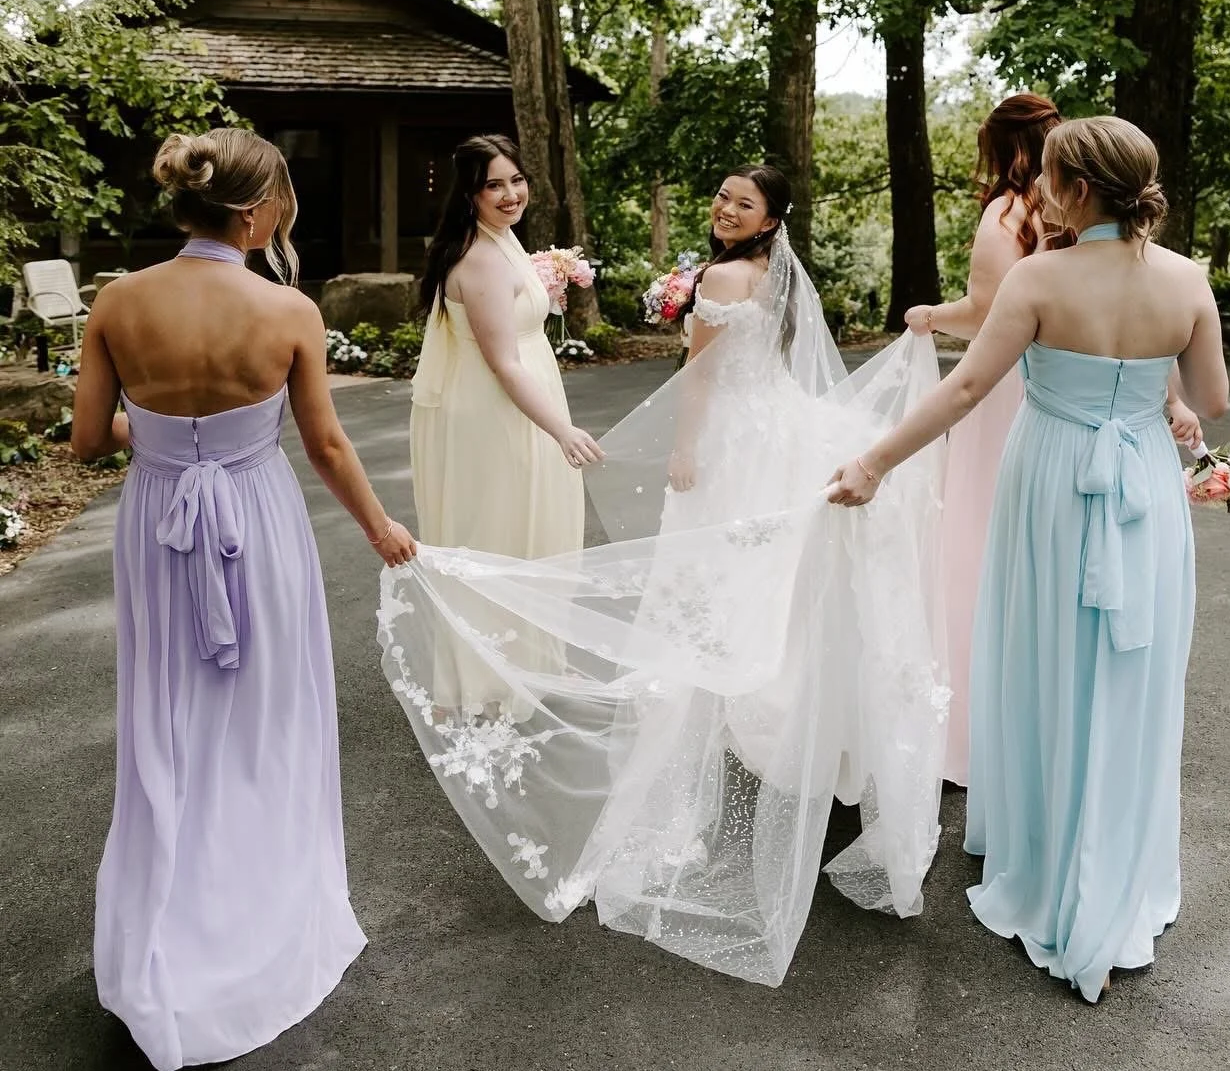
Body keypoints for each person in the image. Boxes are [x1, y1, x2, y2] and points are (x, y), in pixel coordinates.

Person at [377, 164, 949, 987]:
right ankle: (778, 715)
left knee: (708, 586)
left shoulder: (722, 274)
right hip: (783, 432)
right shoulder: (774, 271)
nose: (723, 208)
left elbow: (702, 378)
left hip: (733, 445)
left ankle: (722, 713)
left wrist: (685, 449)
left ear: (769, 218)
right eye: (720, 197)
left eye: (740, 203)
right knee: (769, 586)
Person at [830, 117, 1228, 1002]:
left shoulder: (1042, 276)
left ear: (1075, 190)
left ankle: (1047, 862)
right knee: (1131, 674)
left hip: (1053, 483)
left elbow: (968, 386)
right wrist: (1151, 397)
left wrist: (872, 461)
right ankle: (1115, 867)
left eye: (1050, 178)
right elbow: (1211, 397)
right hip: (1146, 493)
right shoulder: (1187, 278)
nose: (1042, 190)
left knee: (1050, 662)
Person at [72, 129, 416, 1071]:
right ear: (258, 212)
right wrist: (384, 531)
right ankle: (252, 923)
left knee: (166, 714)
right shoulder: (288, 309)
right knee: (262, 717)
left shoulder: (117, 300)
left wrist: (165, 433)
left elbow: (86, 440)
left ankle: (163, 925)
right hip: (254, 525)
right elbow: (330, 448)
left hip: (158, 527)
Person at [904, 92, 1061, 786]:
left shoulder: (1004, 216)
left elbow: (984, 315)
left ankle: (969, 725)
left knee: (975, 538)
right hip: (1062, 382)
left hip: (1002, 390)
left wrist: (928, 314)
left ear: (1001, 147)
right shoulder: (1071, 208)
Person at [409, 134, 598, 557]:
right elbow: (504, 363)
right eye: (494, 185)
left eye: (517, 180)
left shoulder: (501, 237)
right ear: (470, 193)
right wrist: (562, 431)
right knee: (507, 534)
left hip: (525, 397)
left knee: (530, 526)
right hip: (498, 406)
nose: (511, 195)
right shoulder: (482, 258)